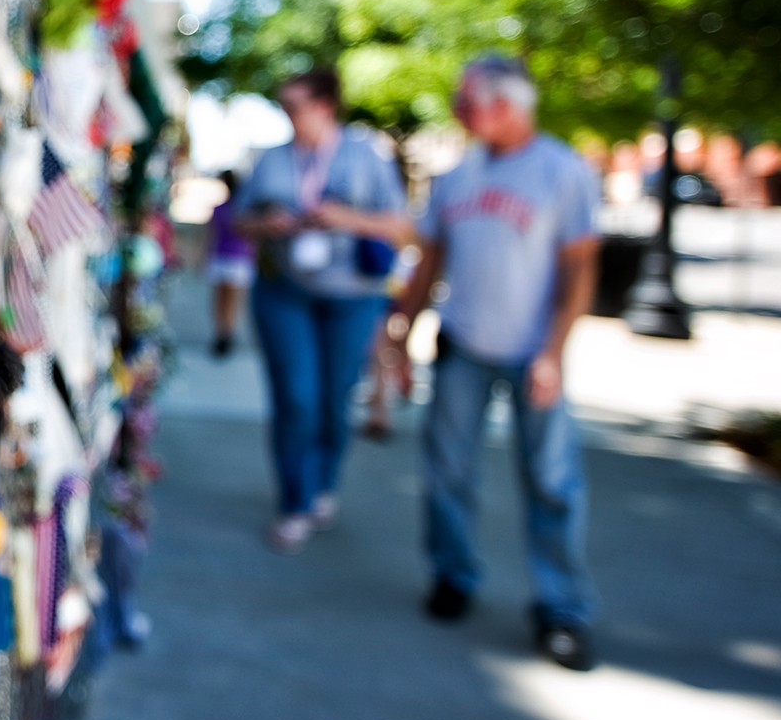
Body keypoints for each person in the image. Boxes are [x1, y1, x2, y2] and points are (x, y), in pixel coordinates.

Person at [374, 54, 601, 671]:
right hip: (463, 349)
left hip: (532, 352)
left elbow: (581, 270)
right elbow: (431, 263)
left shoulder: (562, 171)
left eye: (464, 100)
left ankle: (562, 609)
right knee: (447, 471)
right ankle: (454, 576)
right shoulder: (457, 177)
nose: (456, 110)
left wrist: (554, 352)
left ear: (506, 105)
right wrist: (399, 331)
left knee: (552, 480)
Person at [235, 70, 413, 554]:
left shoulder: (365, 156)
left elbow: (400, 227)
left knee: (335, 402)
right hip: (284, 289)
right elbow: (239, 221)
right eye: (283, 108)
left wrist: (345, 218)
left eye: (295, 106)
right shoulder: (272, 159)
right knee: (296, 398)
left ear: (324, 106)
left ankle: (321, 485)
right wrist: (267, 223)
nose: (288, 117)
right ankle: (295, 500)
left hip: (351, 295)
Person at [207, 170, 253, 357]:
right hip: (238, 258)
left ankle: (223, 334)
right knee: (232, 301)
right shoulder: (242, 209)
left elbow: (210, 234)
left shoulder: (226, 209)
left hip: (225, 257)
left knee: (221, 300)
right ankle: (227, 333)